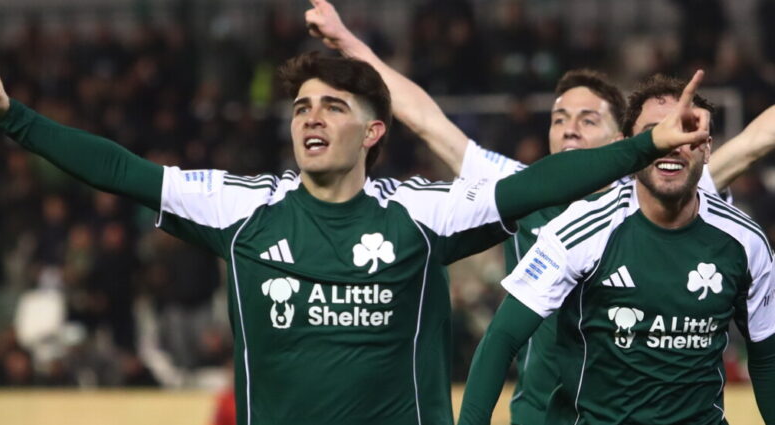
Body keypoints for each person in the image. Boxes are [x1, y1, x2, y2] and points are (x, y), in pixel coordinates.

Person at [0, 29, 708, 425]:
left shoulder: (423, 214)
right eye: (301, 107)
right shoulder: (244, 208)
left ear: (373, 131)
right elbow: (123, 170)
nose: (311, 118)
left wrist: (643, 146)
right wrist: (13, 118)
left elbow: (536, 184)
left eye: (333, 107)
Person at [304, 2, 775, 423]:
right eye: (559, 119)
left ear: (624, 141)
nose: (569, 129)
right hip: (538, 413)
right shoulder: (518, 188)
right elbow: (427, 120)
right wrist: (349, 44)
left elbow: (755, 141)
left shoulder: (669, 180)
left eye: (588, 119)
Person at [458, 76, 775, 424]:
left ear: (707, 148)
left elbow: (767, 357)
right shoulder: (581, 229)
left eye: (686, 131)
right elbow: (501, 338)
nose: (673, 144)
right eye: (656, 133)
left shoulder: (746, 241)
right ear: (631, 147)